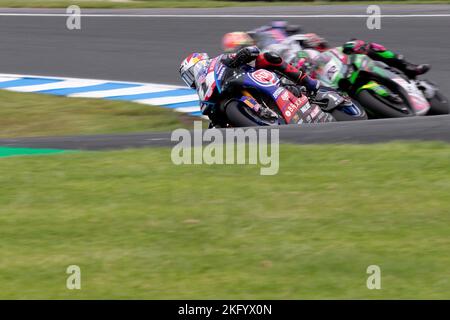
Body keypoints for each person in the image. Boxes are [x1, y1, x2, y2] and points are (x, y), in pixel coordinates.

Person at [222, 21, 430, 79]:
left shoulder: (270, 31)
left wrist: (311, 39)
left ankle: (407, 66)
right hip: (296, 78)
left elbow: (296, 29)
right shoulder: (252, 63)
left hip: (320, 57)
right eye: (240, 49)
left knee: (358, 45)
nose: (245, 49)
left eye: (244, 44)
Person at [179, 46, 320, 115]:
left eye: (189, 74)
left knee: (267, 57)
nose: (191, 80)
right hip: (232, 92)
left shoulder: (219, 61)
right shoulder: (203, 91)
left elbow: (251, 51)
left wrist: (244, 53)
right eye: (187, 79)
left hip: (252, 76)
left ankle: (307, 81)